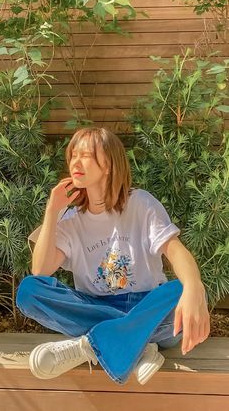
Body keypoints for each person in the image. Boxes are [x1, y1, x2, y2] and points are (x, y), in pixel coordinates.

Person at [16, 127, 210, 385]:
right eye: (73, 155)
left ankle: (90, 344)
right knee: (29, 291)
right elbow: (40, 270)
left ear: (108, 163)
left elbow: (175, 250)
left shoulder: (140, 203)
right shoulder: (71, 220)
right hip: (94, 306)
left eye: (85, 154)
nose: (75, 161)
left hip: (145, 303)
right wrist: (52, 210)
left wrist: (194, 288)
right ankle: (137, 343)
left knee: (182, 291)